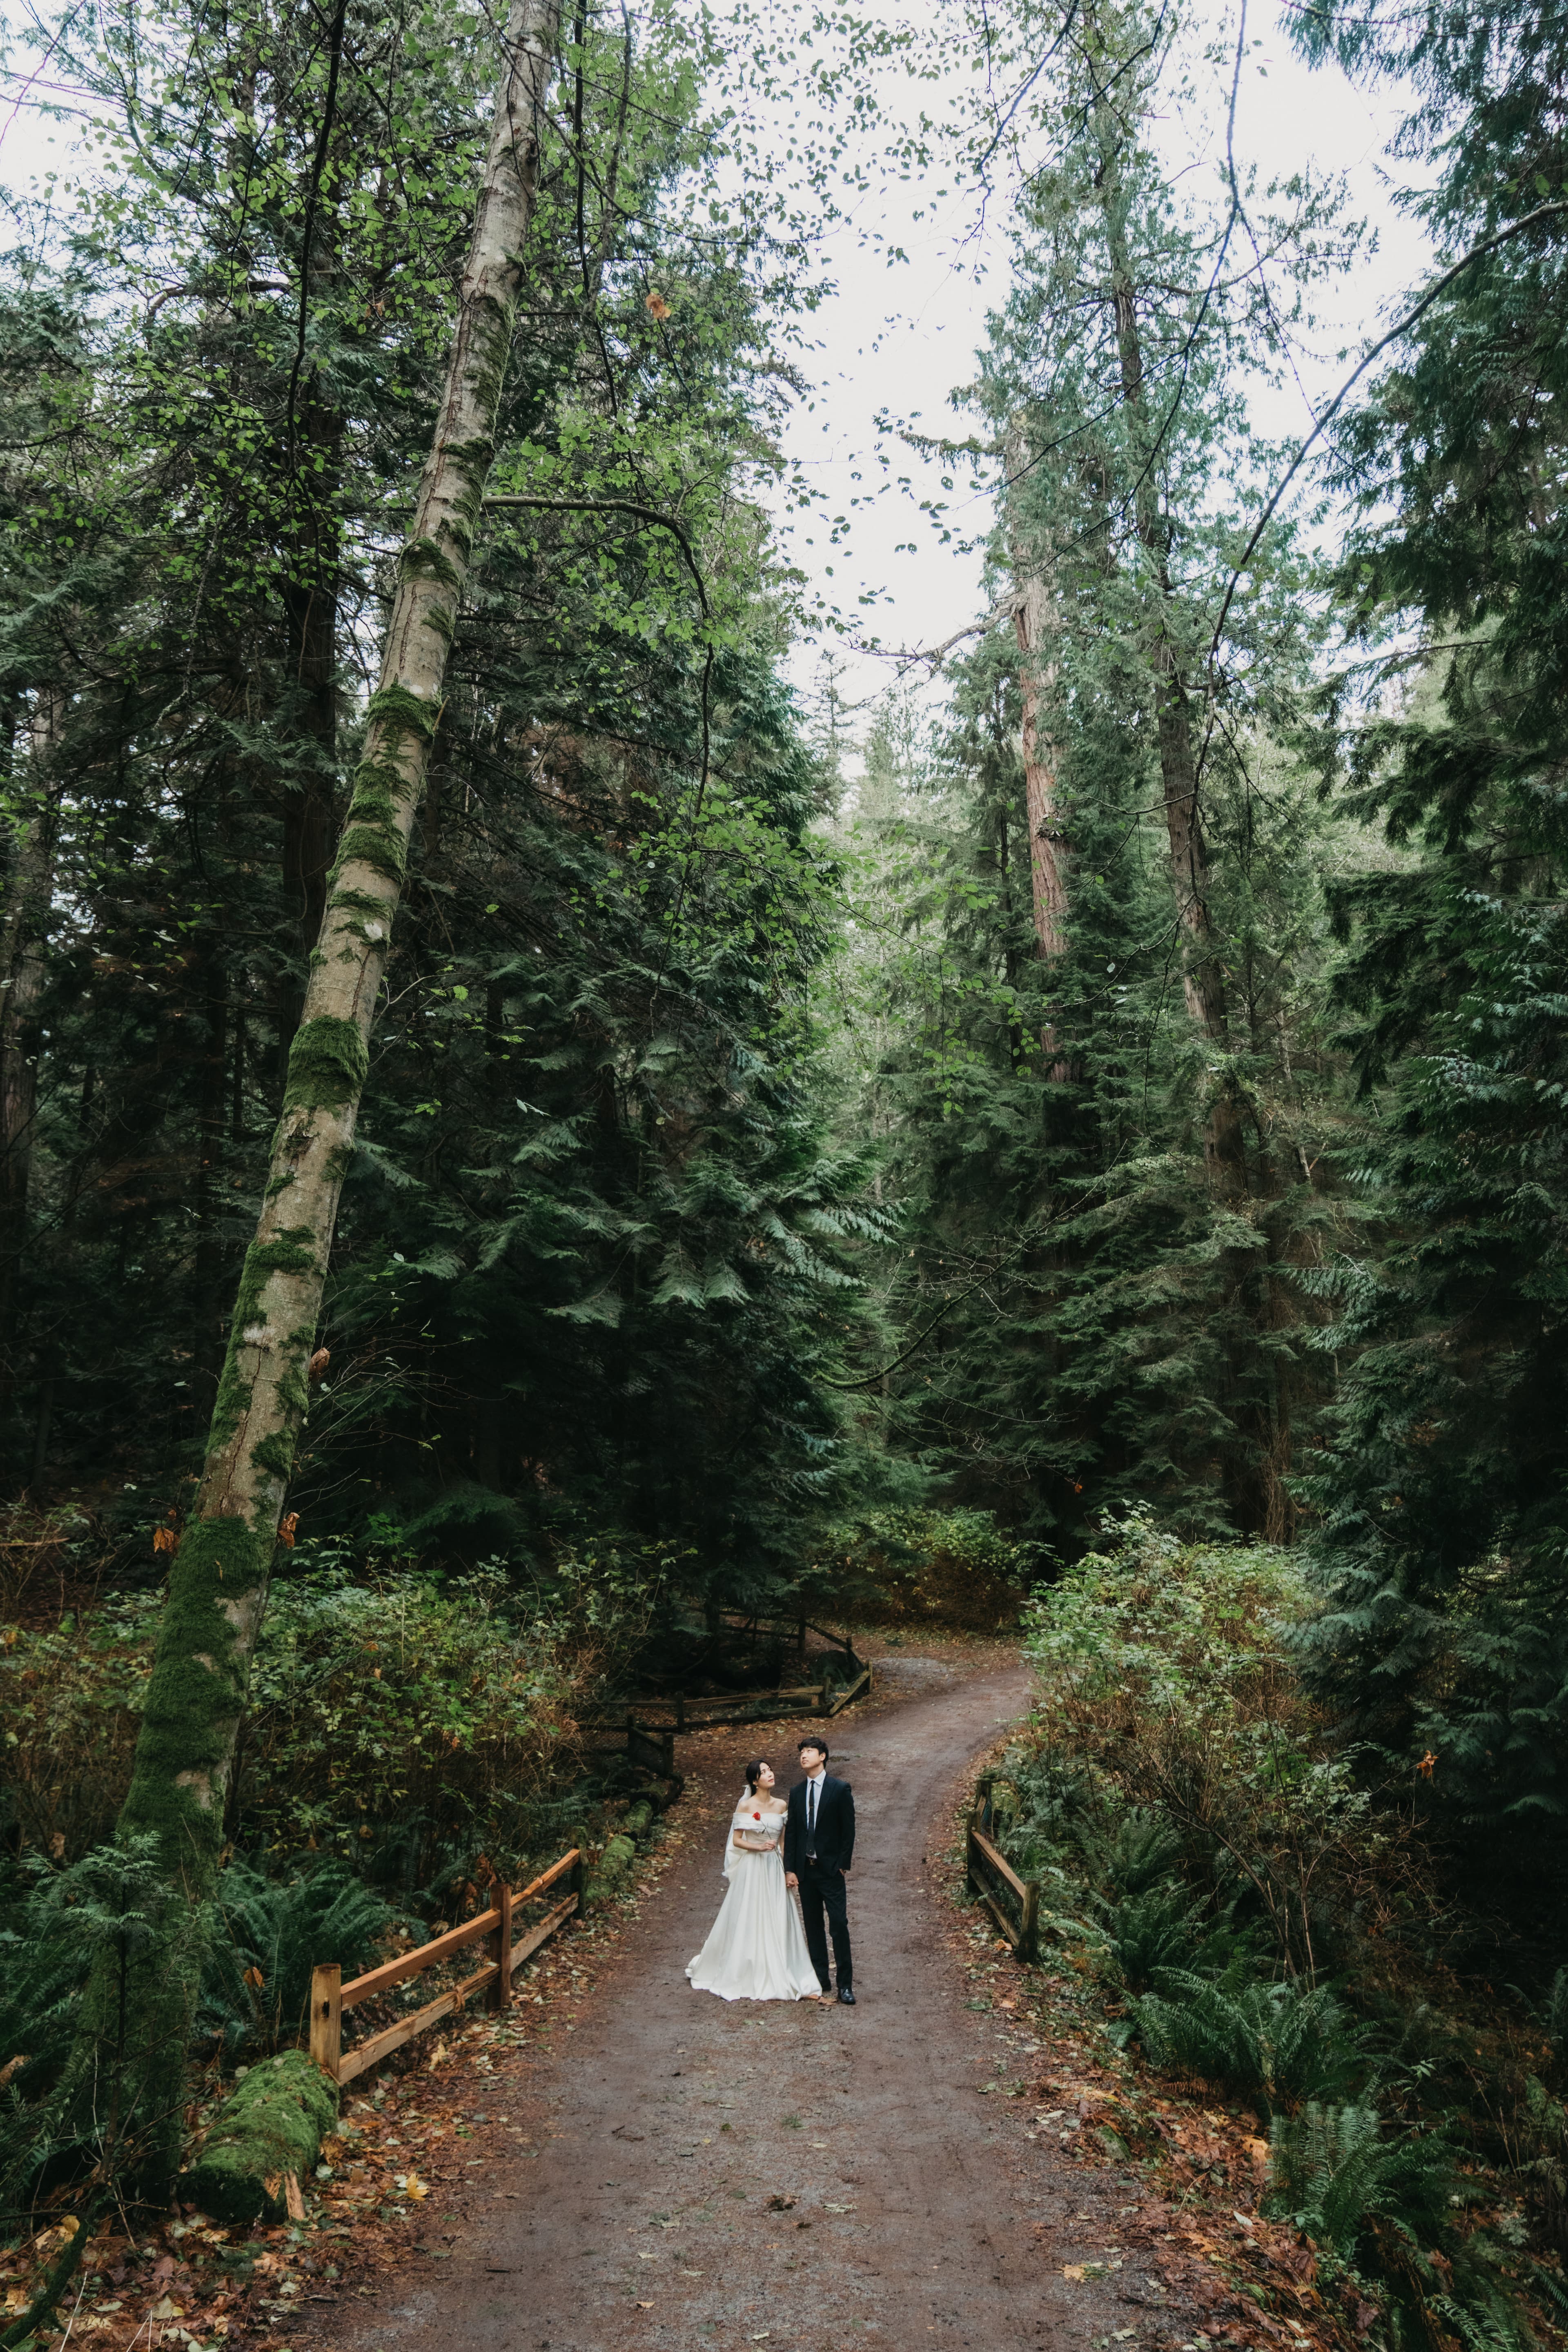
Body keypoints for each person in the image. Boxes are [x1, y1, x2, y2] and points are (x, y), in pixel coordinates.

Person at [686, 1759, 825, 2002]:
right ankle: (750, 1968)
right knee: (752, 1915)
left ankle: (786, 1968)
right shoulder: (747, 1806)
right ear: (754, 1781)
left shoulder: (782, 1804)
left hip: (774, 1865)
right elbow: (737, 1841)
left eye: (770, 1769)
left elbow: (783, 1841)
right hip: (754, 1867)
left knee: (779, 1914)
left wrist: (787, 1869)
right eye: (763, 1772)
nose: (770, 1774)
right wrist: (758, 1847)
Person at [784, 1735, 855, 2004]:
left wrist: (842, 1865)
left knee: (838, 1925)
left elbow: (849, 1831)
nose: (804, 1755)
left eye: (809, 1751)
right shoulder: (796, 1793)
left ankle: (845, 1985)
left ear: (822, 1757)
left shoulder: (839, 1789)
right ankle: (821, 1978)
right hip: (806, 1871)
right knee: (813, 1926)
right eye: (801, 1752)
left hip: (830, 1871)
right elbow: (792, 1834)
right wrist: (790, 1869)